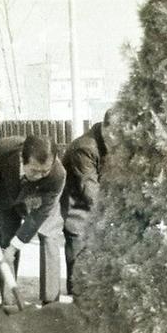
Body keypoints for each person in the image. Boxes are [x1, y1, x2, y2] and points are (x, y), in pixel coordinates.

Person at [0, 134, 66, 307]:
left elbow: (39, 215)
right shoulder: (5, 152)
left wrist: (16, 246)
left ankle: (50, 301)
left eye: (45, 171)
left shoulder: (57, 175)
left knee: (49, 235)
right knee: (6, 239)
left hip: (41, 199)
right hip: (8, 192)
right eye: (34, 170)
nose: (40, 175)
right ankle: (8, 300)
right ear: (22, 159)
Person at [60, 111, 111, 295]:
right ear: (106, 128)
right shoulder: (84, 148)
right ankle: (76, 291)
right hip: (74, 200)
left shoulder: (110, 140)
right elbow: (89, 189)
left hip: (95, 197)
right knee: (78, 239)